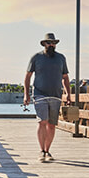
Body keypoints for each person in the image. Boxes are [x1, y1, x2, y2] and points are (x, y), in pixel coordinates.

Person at [24, 32, 71, 162]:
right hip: (39, 94)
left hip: (56, 95)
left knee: (51, 125)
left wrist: (68, 94)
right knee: (42, 121)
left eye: (54, 43)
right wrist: (26, 94)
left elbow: (65, 78)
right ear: (44, 44)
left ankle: (48, 151)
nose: (51, 45)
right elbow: (28, 76)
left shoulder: (61, 58)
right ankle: (42, 151)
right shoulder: (36, 58)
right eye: (49, 42)